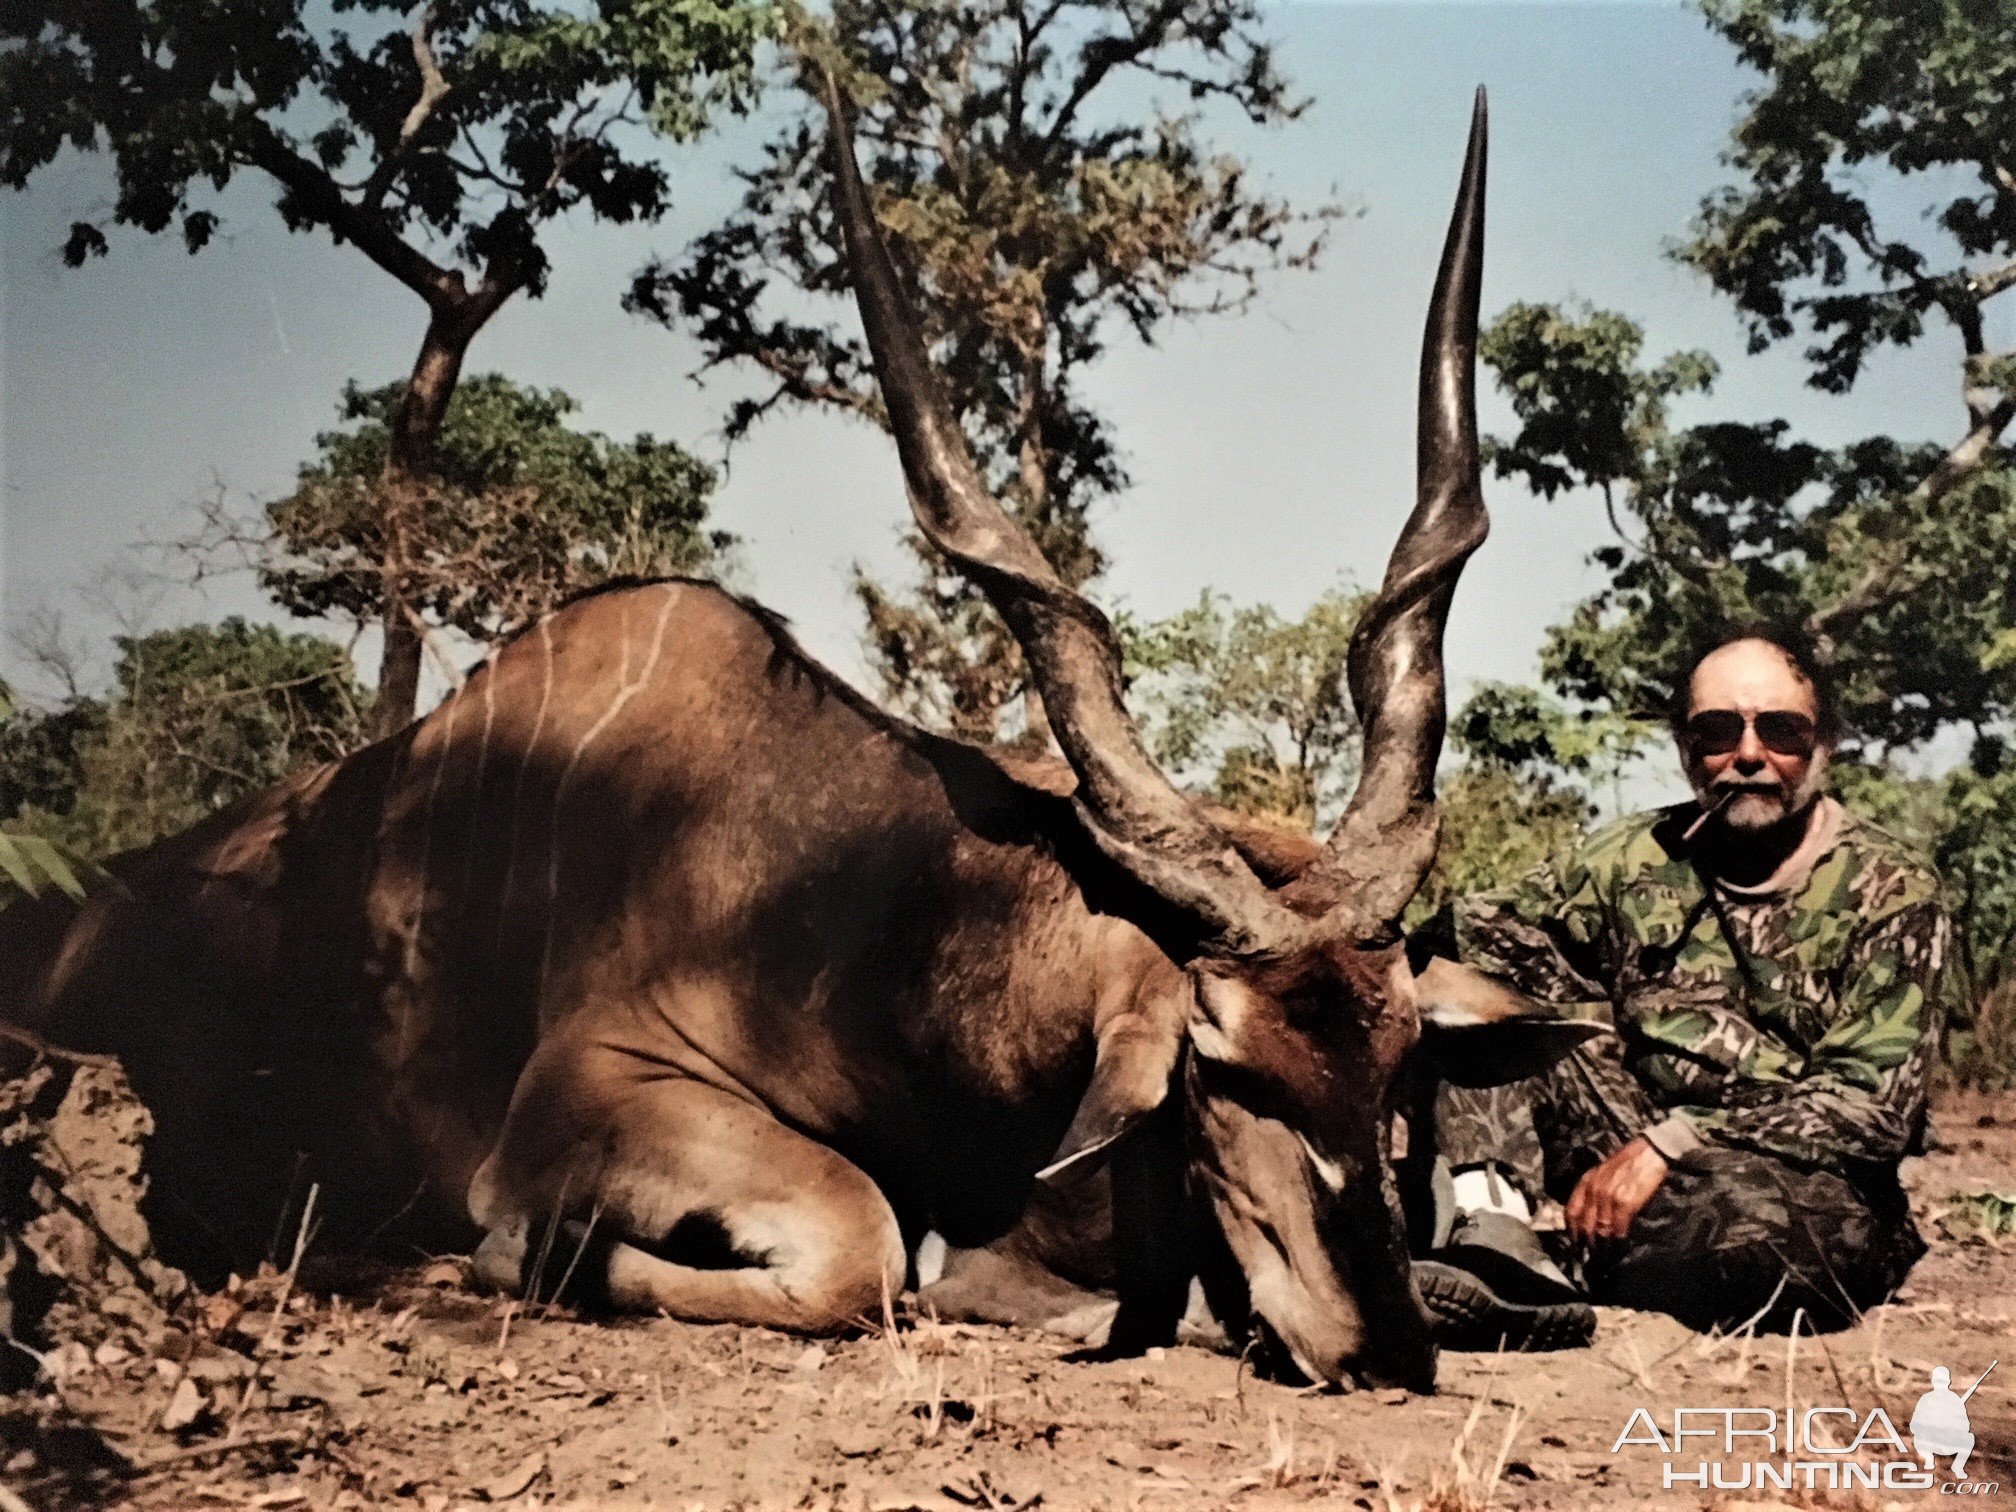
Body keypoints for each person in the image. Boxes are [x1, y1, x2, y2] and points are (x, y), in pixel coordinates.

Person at [1414, 629, 1950, 1350]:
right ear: (1684, 747)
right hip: (1622, 1143)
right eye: (1719, 731)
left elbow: (1870, 1107)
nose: (1750, 755)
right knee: (1469, 999)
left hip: (1791, 1179)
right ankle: (1495, 1235)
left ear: (1823, 747)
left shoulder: (1893, 888)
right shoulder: (1633, 858)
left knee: (1759, 1239)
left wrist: (1673, 1143)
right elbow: (1458, 938)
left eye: (1781, 731)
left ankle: (1552, 1263)